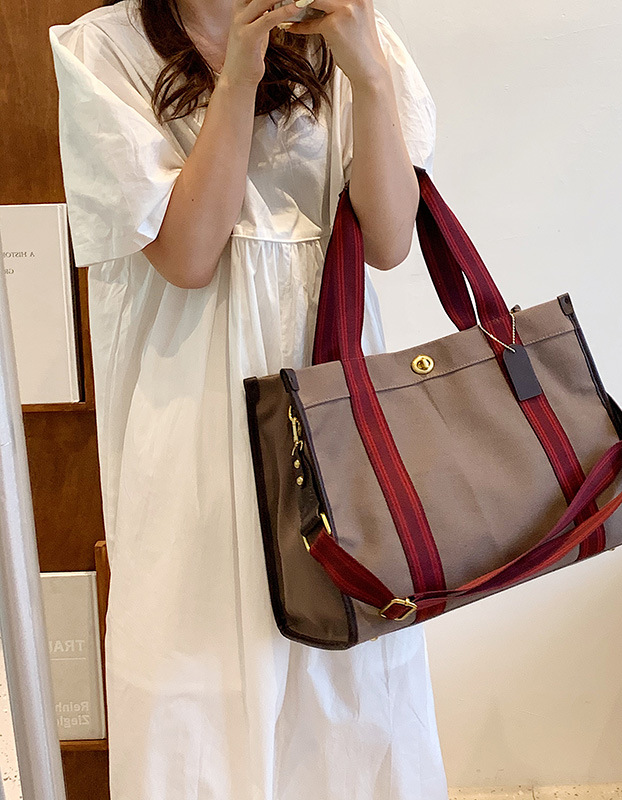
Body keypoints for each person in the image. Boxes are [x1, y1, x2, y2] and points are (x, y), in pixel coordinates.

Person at [48, 1, 449, 798]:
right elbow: (190, 255)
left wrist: (368, 70)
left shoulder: (341, 32)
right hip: (194, 420)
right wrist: (238, 70)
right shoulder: (104, 50)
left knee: (345, 679)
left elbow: (389, 240)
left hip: (333, 410)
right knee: (198, 676)